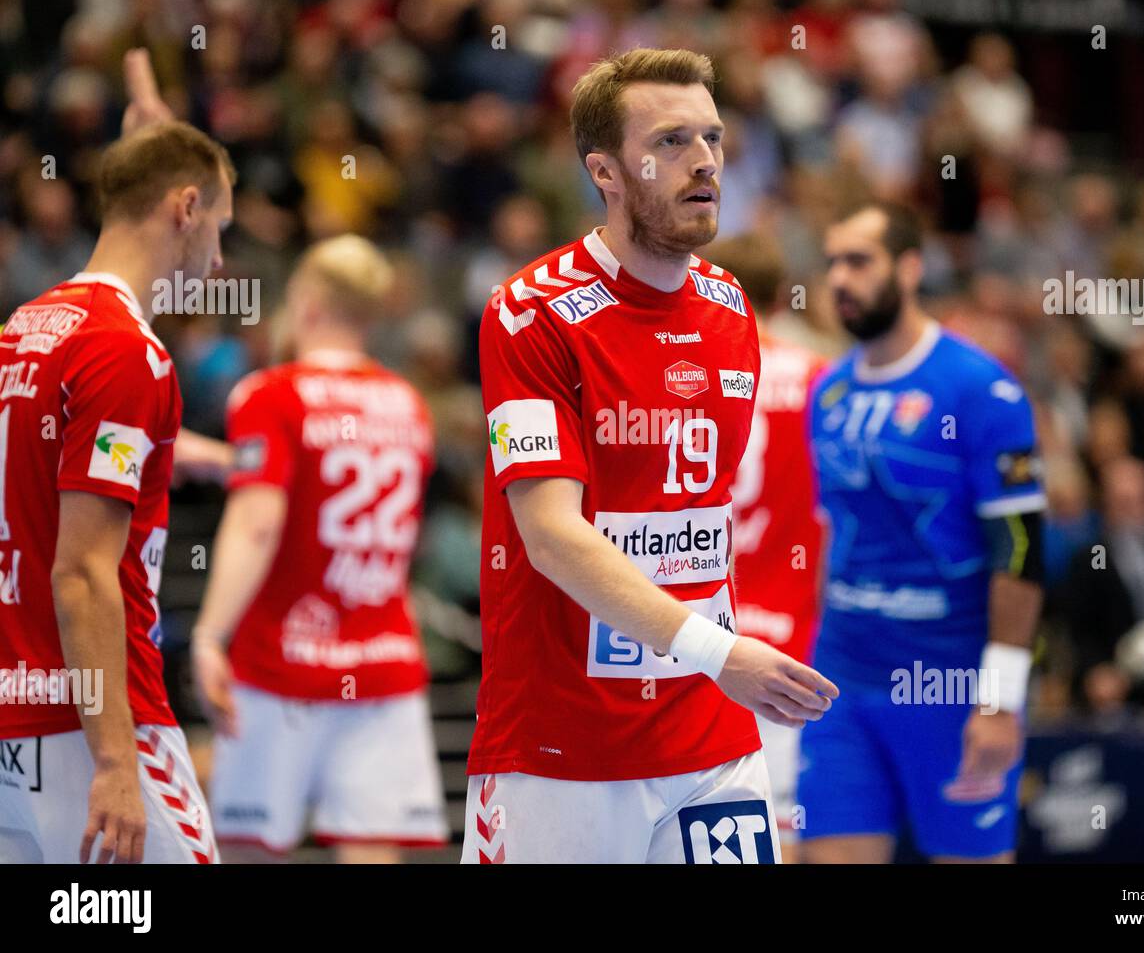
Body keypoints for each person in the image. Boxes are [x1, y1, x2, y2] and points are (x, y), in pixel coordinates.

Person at [463, 48, 837, 865]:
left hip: (711, 731)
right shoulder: (532, 314)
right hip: (562, 748)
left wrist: (717, 660)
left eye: (711, 137)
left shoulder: (730, 306)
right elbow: (552, 536)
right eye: (670, 142)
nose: (704, 161)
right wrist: (717, 652)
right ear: (605, 169)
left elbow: (701, 521)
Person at [0, 53, 232, 863]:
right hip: (97, 720)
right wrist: (114, 762)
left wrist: (211, 458)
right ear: (187, 207)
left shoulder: (25, 329)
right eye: (221, 227)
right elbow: (83, 572)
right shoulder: (127, 352)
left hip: (14, 723)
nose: (220, 262)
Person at [800, 200, 1046, 863]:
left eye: (859, 261)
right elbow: (831, 535)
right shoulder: (827, 393)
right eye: (830, 265)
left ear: (909, 268)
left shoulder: (979, 390)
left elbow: (1020, 553)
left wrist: (999, 702)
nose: (839, 280)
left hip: (950, 687)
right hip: (843, 683)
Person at [190, 236, 449, 862]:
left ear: (305, 302)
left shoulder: (269, 393)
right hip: (384, 662)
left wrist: (208, 634)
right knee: (371, 851)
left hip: (280, 663)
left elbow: (258, 522)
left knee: (250, 848)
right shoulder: (409, 404)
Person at [708, 233, 828, 861]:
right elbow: (836, 524)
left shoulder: (690, 366)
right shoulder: (819, 380)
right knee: (779, 828)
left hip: (698, 636)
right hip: (790, 640)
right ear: (786, 294)